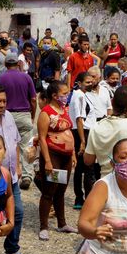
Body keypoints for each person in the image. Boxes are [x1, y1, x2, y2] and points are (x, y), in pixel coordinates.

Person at [0, 85, 32, 254]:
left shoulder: (9, 117)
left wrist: (18, 166)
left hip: (10, 177)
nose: (1, 105)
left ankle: (12, 250)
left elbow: (15, 144)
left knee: (18, 212)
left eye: (4, 101)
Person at [36, 80, 77, 241]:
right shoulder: (46, 113)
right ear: (54, 95)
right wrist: (47, 161)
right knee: (49, 191)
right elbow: (42, 137)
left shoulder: (64, 109)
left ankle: (62, 223)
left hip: (66, 156)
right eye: (64, 93)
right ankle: (43, 226)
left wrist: (72, 153)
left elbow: (68, 131)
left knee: (61, 190)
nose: (67, 96)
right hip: (53, 155)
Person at [0, 55, 37, 188]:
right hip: (24, 114)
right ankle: (26, 175)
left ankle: (7, 173)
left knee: (8, 145)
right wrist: (32, 114)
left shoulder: (0, 78)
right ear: (18, 63)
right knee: (26, 146)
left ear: (6, 64)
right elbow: (33, 99)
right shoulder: (26, 77)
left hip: (6, 115)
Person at [68, 70, 105, 209]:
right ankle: (85, 198)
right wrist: (83, 141)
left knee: (81, 168)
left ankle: (81, 197)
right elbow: (79, 119)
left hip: (85, 132)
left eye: (91, 82)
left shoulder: (83, 95)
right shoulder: (79, 96)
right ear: (79, 83)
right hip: (82, 133)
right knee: (87, 168)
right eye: (87, 82)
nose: (90, 84)